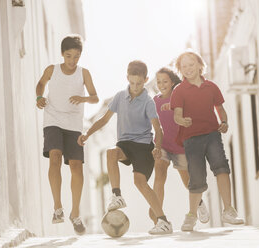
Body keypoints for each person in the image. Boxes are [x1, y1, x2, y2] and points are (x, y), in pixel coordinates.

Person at [78, 60, 173, 235]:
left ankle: (163, 221)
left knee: (140, 182)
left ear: (145, 80)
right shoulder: (120, 97)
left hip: (143, 147)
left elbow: (158, 129)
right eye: (132, 82)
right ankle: (117, 195)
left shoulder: (148, 102)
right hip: (125, 144)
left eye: (139, 83)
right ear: (127, 78)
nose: (135, 87)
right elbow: (104, 120)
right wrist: (87, 134)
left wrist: (157, 147)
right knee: (111, 153)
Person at [170, 51, 244, 231]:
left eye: (191, 64)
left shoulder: (211, 87)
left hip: (212, 134)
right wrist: (183, 121)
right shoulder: (179, 90)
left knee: (222, 167)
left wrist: (224, 122)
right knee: (197, 177)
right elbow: (177, 116)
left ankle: (228, 210)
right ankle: (192, 216)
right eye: (184, 66)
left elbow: (220, 109)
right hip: (191, 139)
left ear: (199, 64)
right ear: (180, 70)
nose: (188, 69)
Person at [35, 35, 99, 235]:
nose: (72, 60)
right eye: (69, 56)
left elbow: (95, 97)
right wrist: (39, 97)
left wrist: (83, 98)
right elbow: (40, 85)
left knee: (76, 167)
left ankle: (75, 213)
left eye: (76, 56)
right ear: (62, 54)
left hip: (73, 123)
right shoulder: (52, 70)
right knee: (54, 156)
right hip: (53, 119)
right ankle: (57, 208)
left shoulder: (84, 73)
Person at [149, 67, 210, 228]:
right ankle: (158, 217)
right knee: (159, 175)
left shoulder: (181, 98)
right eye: (159, 82)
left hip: (180, 146)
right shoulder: (154, 101)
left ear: (172, 82)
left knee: (187, 181)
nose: (161, 84)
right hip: (162, 144)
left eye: (165, 81)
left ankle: (199, 203)